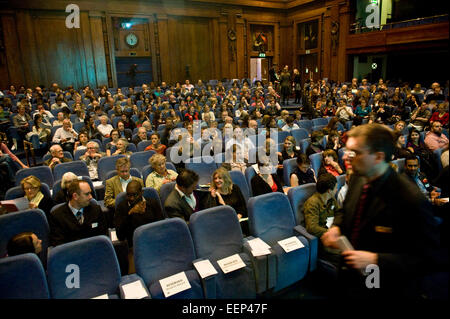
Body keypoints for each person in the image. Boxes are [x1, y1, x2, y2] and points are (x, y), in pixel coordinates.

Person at [321, 123, 442, 298]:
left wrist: (376, 260)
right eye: (347, 151)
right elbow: (344, 210)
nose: (346, 157)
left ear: (378, 156)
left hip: (387, 284)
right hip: (351, 276)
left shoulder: (411, 199)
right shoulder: (357, 176)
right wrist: (336, 227)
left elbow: (427, 259)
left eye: (355, 152)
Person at [49, 179, 107, 247]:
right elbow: (58, 244)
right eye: (87, 194)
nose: (91, 197)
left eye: (90, 193)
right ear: (75, 196)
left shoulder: (96, 210)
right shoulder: (57, 216)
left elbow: (103, 236)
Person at [303, 173, 340, 267]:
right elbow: (312, 228)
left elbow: (339, 213)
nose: (336, 190)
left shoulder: (331, 199)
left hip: (333, 232)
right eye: (335, 188)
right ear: (329, 191)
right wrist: (329, 233)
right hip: (323, 239)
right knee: (343, 254)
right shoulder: (312, 203)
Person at [114, 180, 164, 246]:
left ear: (141, 192)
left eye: (135, 195)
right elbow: (120, 235)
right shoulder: (121, 207)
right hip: (133, 243)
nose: (132, 198)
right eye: (129, 195)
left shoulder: (153, 203)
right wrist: (130, 213)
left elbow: (161, 225)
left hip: (154, 239)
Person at [202, 167, 248, 234]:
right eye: (215, 178)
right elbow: (214, 215)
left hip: (238, 220)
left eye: (220, 178)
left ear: (226, 178)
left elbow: (243, 207)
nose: (217, 180)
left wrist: (237, 217)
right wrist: (216, 196)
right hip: (223, 224)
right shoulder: (213, 194)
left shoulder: (235, 188)